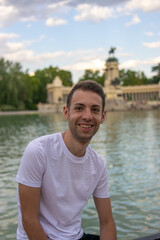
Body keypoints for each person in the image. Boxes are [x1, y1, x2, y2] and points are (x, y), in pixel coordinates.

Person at [16, 80, 117, 240]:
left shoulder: (98, 164)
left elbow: (107, 223)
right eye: (79, 108)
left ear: (102, 116)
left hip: (75, 236)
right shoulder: (38, 151)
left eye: (95, 110)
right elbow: (29, 220)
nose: (87, 116)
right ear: (66, 112)